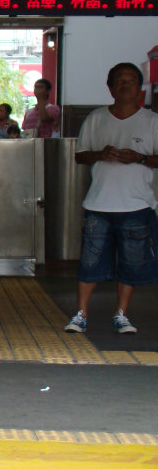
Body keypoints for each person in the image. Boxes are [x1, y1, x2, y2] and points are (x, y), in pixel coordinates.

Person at [65, 62, 158, 334]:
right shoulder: (96, 118)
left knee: (130, 265)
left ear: (140, 87)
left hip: (137, 205)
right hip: (98, 204)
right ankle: (80, 314)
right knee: (89, 263)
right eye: (119, 80)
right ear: (110, 87)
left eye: (131, 80)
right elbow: (80, 156)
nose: (125, 84)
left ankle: (121, 314)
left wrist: (139, 157)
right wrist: (100, 154)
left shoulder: (152, 121)